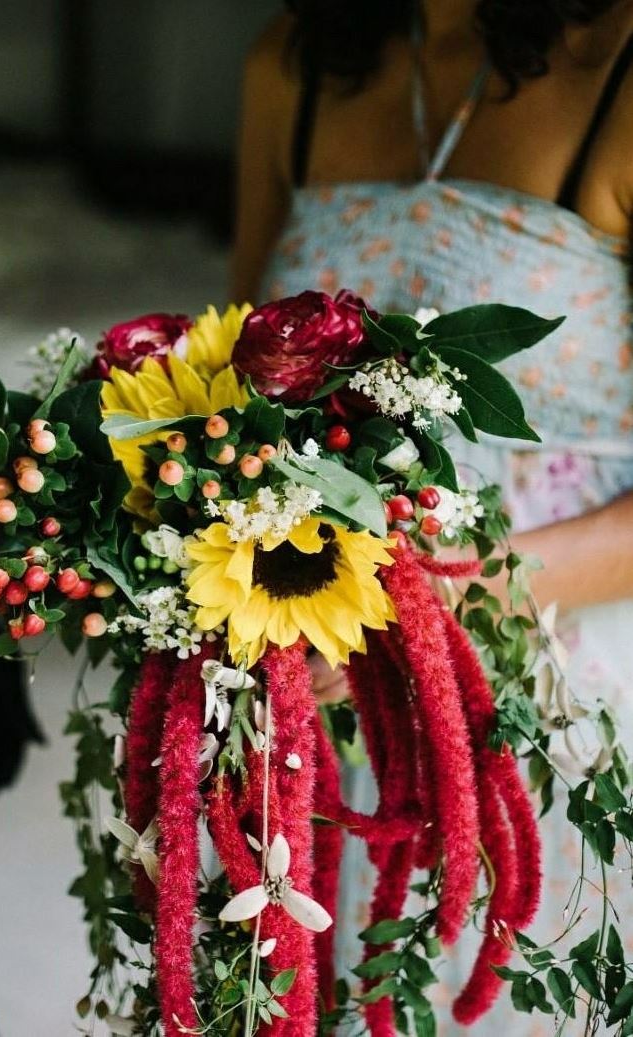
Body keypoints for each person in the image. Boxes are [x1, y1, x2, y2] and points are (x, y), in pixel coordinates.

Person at [234, 0, 633, 1030]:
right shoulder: (293, 66)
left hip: (562, 712)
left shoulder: (620, 67)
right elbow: (230, 393)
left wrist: (432, 594)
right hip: (325, 709)